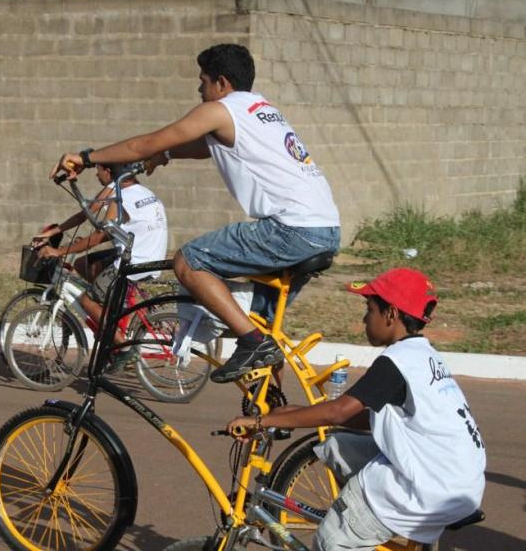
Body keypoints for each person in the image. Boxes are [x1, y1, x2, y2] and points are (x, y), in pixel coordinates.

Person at [49, 43, 341, 384]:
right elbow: (207, 146)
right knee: (254, 316)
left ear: (221, 82)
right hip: (324, 229)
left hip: (290, 230)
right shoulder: (260, 108)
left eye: (202, 81)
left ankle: (253, 344)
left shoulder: (221, 109)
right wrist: (168, 155)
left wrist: (87, 157)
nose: (199, 89)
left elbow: (146, 143)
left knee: (188, 262)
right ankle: (266, 396)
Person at [226, 268, 486, 550]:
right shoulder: (425, 356)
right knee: (336, 445)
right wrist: (293, 412)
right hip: (458, 480)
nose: (365, 318)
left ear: (391, 314)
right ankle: (354, 514)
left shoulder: (396, 361)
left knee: (330, 541)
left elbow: (338, 412)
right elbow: (371, 416)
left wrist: (260, 421)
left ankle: (352, 524)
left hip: (428, 489)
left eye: (370, 308)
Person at [35, 161, 167, 370]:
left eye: (98, 172)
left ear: (108, 171)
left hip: (135, 261)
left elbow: (97, 236)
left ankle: (123, 347)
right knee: (82, 263)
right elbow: (87, 213)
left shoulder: (120, 198)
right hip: (148, 255)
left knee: (87, 301)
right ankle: (112, 311)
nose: (97, 177)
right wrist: (55, 231)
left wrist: (59, 251)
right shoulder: (133, 189)